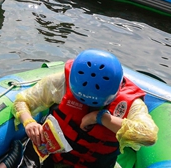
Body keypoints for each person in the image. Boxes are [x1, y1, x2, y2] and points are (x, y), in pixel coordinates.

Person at [13, 49, 157, 168]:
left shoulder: (132, 103)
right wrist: (29, 122)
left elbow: (148, 136)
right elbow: (22, 101)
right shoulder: (62, 81)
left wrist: (100, 118)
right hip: (51, 157)